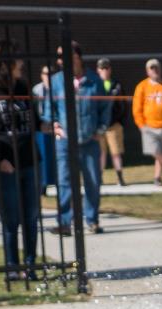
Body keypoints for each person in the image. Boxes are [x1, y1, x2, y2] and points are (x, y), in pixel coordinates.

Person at [0, 54, 43, 270]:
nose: (21, 64)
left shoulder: (23, 87)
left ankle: (30, 264)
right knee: (11, 220)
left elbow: (35, 121)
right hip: (4, 166)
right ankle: (12, 267)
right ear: (4, 65)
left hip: (30, 160)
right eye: (16, 61)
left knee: (31, 218)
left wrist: (48, 126)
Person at [42, 43, 107, 232]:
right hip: (65, 141)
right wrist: (54, 125)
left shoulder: (94, 81)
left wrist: (101, 129)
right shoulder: (56, 81)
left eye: (63, 56)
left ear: (77, 57)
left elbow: (104, 108)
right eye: (59, 56)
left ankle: (92, 220)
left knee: (93, 182)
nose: (59, 60)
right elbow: (49, 110)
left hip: (89, 141)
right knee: (64, 182)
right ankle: (64, 222)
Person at [132, 58, 162, 185]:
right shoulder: (142, 87)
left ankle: (157, 178)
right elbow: (137, 108)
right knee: (156, 151)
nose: (155, 70)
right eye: (152, 68)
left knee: (161, 153)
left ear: (160, 69)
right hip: (149, 127)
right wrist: (141, 125)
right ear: (147, 71)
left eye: (157, 68)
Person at [94, 58, 128, 188]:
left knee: (116, 152)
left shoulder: (116, 85)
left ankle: (120, 178)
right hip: (99, 126)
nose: (104, 70)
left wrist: (121, 121)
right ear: (98, 70)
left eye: (107, 68)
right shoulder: (95, 85)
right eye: (102, 68)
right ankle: (99, 178)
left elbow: (123, 104)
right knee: (100, 154)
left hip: (114, 125)